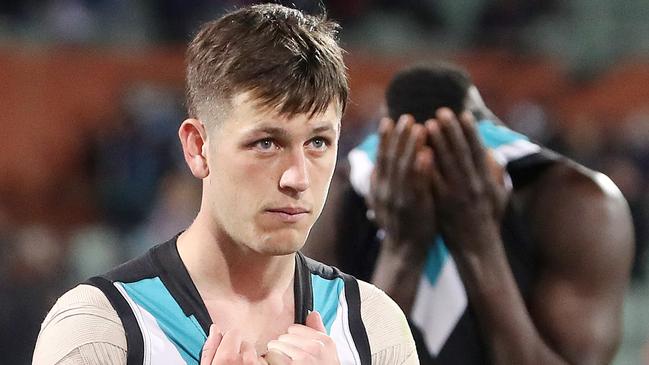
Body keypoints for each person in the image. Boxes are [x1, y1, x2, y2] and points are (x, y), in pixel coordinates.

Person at [32, 4, 417, 365]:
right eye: (265, 143)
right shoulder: (97, 331)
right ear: (198, 148)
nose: (298, 178)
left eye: (318, 142)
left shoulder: (374, 326)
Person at [305, 63, 634, 364]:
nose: (431, 174)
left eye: (453, 158)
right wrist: (403, 250)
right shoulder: (333, 196)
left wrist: (479, 244)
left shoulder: (577, 202)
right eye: (413, 164)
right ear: (384, 162)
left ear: (490, 160)